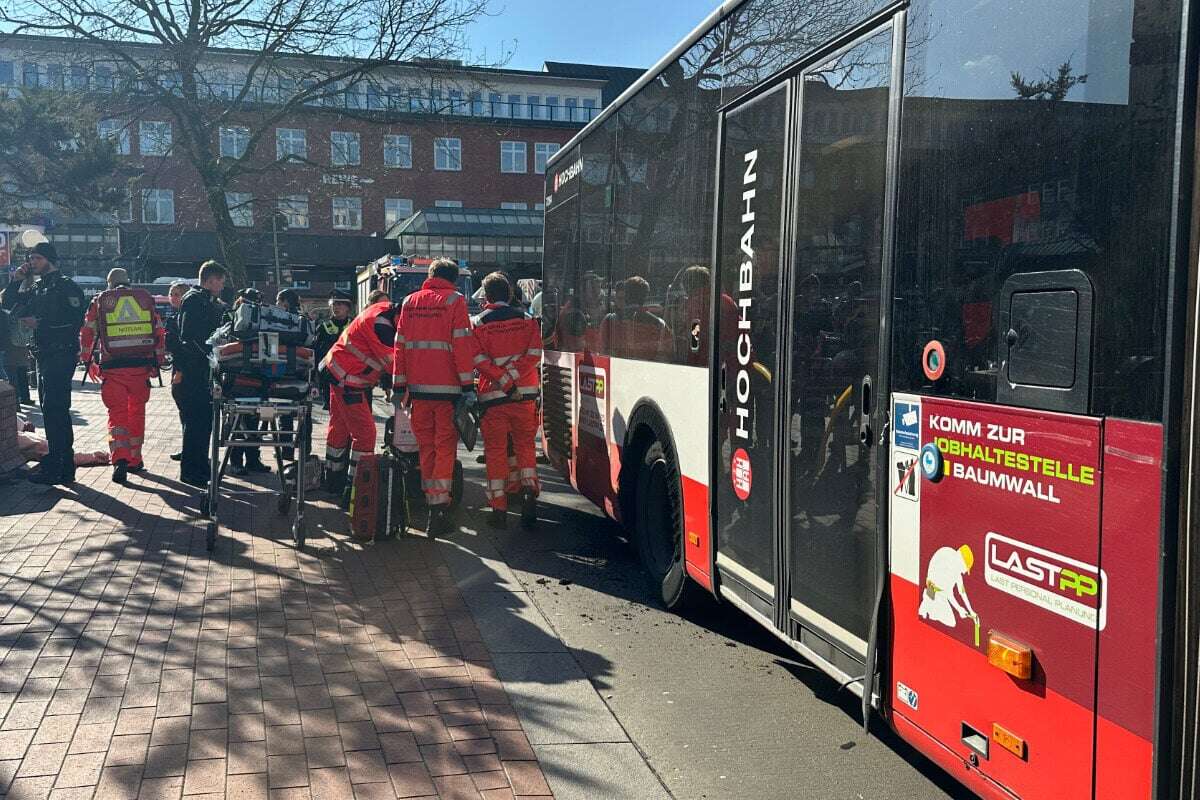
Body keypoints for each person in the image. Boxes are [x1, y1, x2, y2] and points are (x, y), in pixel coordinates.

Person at [392, 259, 503, 534]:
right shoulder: (455, 301)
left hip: (418, 391)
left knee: (426, 448)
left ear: (431, 276)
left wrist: (398, 386)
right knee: (444, 449)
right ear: (453, 280)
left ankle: (432, 503)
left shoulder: (409, 302)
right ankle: (439, 510)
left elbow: (400, 346)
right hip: (448, 390)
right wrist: (467, 387)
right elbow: (461, 347)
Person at [1, 243, 86, 484]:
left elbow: (74, 321)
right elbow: (8, 304)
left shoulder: (66, 286)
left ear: (50, 259)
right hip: (44, 355)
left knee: (57, 410)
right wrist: (16, 280)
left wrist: (42, 325)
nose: (33, 262)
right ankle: (57, 463)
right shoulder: (38, 287)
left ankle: (62, 464)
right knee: (50, 411)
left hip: (61, 354)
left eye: (37, 258)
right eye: (31, 258)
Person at [78, 268, 166, 484]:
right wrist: (157, 363)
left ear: (109, 283)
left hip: (113, 368)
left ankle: (120, 460)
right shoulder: (143, 300)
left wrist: (87, 361)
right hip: (140, 368)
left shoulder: (101, 301)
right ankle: (135, 459)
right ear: (128, 281)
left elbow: (87, 332)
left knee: (117, 415)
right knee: (137, 413)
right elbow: (159, 332)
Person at [472, 272, 542, 529]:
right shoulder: (528, 320)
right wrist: (513, 377)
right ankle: (528, 492)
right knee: (525, 447)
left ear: (487, 296)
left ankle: (498, 509)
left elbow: (477, 360)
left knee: (496, 453)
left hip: (493, 399)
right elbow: (534, 354)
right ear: (510, 294)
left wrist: (502, 380)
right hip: (525, 395)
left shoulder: (478, 323)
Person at [320, 291, 398, 508]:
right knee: (366, 434)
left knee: (340, 428)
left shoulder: (379, 313)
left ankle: (333, 480)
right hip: (348, 381)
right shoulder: (381, 325)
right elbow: (392, 364)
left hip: (338, 374)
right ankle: (355, 488)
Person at [176, 260, 228, 487]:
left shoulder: (209, 302)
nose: (223, 285)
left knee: (204, 422)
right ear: (210, 280)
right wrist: (208, 356)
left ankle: (201, 465)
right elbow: (189, 337)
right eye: (221, 281)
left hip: (204, 370)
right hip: (195, 371)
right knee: (195, 421)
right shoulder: (194, 301)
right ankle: (190, 470)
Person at [225, 289, 271, 476]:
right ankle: (236, 461)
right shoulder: (230, 319)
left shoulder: (265, 321)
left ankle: (253, 459)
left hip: (259, 379)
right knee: (238, 422)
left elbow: (270, 350)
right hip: (238, 379)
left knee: (258, 421)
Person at [598, 276, 672, 360]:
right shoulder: (660, 325)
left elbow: (602, 353)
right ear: (645, 297)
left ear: (626, 295)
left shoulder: (609, 321)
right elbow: (665, 356)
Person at [164, 281, 190, 461]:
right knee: (184, 412)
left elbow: (181, 348)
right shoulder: (174, 316)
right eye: (171, 294)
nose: (173, 297)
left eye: (177, 294)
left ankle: (189, 448)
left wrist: (179, 371)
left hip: (183, 369)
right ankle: (187, 446)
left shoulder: (182, 318)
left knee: (187, 410)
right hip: (177, 367)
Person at [314, 289, 353, 410]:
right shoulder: (323, 327)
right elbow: (317, 353)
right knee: (333, 409)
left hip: (351, 375)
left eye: (340, 304)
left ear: (348, 307)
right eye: (334, 304)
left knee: (350, 410)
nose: (336, 307)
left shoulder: (355, 325)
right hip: (329, 376)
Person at [3, 307, 33, 405]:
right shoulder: (14, 315)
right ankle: (25, 398)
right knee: (21, 374)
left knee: (11, 377)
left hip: (8, 348)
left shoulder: (6, 316)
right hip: (21, 347)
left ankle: (15, 403)